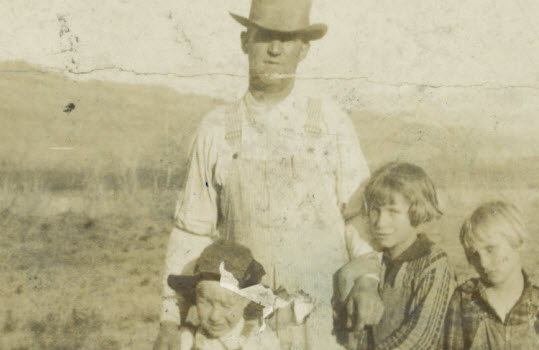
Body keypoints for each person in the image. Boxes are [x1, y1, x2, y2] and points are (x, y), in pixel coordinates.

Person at [154, 1, 382, 349]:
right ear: (245, 41)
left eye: (287, 40)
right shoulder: (215, 129)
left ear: (303, 49)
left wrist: (366, 279)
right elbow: (191, 230)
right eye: (265, 37)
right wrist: (171, 319)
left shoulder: (330, 122)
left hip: (322, 316)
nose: (275, 50)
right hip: (242, 325)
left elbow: (358, 216)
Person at [337, 162, 455, 350]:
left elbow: (420, 338)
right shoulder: (371, 259)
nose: (380, 222)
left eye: (393, 212)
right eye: (375, 210)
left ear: (417, 212)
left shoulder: (433, 263)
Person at [443, 201, 539, 350]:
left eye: (490, 249)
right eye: (475, 255)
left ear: (517, 242)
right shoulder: (464, 301)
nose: (483, 263)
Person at [167, 240, 281, 350]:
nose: (214, 316)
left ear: (246, 300)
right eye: (206, 303)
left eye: (226, 305)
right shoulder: (187, 341)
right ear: (195, 297)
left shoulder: (261, 343)